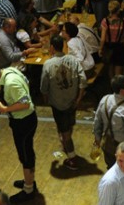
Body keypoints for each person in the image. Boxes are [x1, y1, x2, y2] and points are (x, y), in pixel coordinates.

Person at [0, 63, 39, 203]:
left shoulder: (10, 82)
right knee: (27, 151)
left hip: (23, 122)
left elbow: (25, 103)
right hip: (27, 119)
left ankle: (29, 189)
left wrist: (4, 109)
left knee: (25, 155)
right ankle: (29, 180)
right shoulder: (9, 70)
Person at [39, 34, 86, 170]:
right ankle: (65, 142)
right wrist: (78, 99)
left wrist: (45, 99)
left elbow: (43, 87)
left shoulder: (48, 64)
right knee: (67, 126)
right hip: (72, 102)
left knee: (65, 133)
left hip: (58, 104)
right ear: (64, 46)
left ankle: (72, 158)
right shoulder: (73, 60)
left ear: (52, 47)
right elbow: (83, 80)